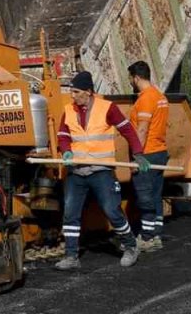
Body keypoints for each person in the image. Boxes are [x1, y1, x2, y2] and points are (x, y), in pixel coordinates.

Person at [54, 71, 150, 271]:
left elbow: (127, 130)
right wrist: (66, 151)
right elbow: (63, 135)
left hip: (101, 171)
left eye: (76, 91)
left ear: (88, 92)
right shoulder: (68, 110)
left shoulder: (107, 108)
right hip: (76, 171)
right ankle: (71, 256)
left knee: (112, 211)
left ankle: (131, 246)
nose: (72, 95)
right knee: (70, 213)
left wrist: (138, 153)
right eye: (71, 91)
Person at [128, 61, 170, 252]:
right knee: (155, 195)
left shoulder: (145, 99)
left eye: (130, 78)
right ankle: (156, 234)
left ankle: (147, 238)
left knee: (144, 197)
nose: (130, 82)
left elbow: (142, 129)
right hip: (160, 152)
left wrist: (137, 155)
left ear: (136, 78)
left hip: (147, 154)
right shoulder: (160, 96)